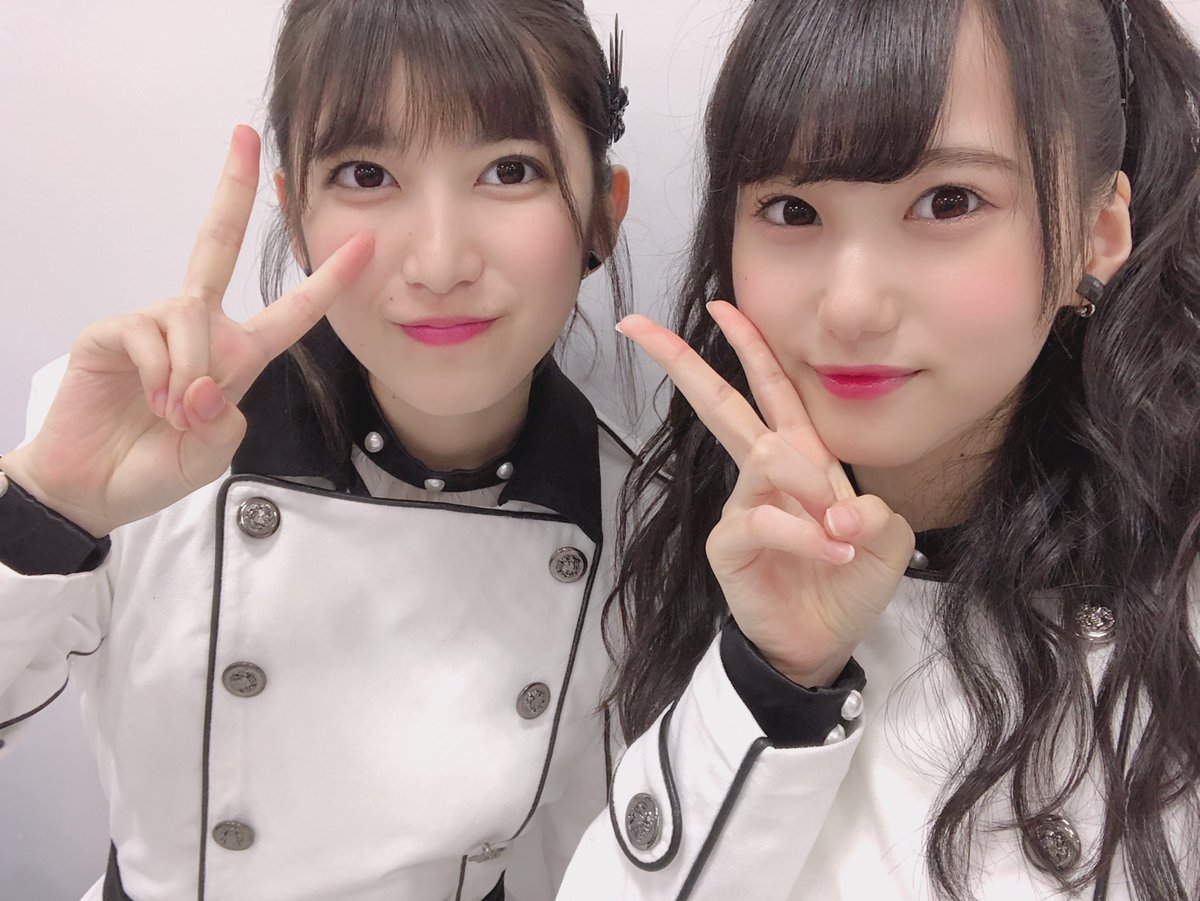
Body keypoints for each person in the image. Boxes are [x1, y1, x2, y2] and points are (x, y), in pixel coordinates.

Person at [0, 2, 869, 899]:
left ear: (601, 218)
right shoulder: (135, 435)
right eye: (368, 173)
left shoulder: (636, 523)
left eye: (509, 170)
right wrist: (44, 509)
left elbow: (600, 870)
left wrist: (785, 673)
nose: (441, 261)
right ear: (295, 219)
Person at [608, 0, 1200, 898]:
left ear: (1098, 230)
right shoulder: (697, 545)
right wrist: (772, 681)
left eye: (947, 202)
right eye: (793, 209)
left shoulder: (1174, 588)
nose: (851, 305)